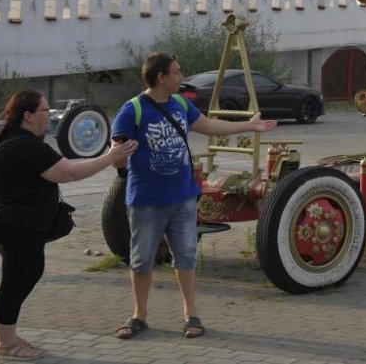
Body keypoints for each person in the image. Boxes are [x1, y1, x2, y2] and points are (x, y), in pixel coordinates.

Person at [111, 51, 277, 341]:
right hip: (146, 201)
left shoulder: (179, 103)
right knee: (142, 260)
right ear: (160, 77)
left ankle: (190, 315)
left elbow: (209, 125)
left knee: (186, 257)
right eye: (175, 72)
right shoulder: (132, 110)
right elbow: (117, 155)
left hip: (183, 198)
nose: (180, 76)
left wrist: (249, 126)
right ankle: (139, 315)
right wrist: (119, 159)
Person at [0, 89, 138, 360]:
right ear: (28, 116)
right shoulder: (28, 147)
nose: (49, 116)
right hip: (17, 226)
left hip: (7, 223)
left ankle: (5, 334)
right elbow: (69, 173)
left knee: (24, 275)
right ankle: (6, 346)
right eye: (45, 110)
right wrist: (111, 156)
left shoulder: (5, 141)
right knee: (16, 282)